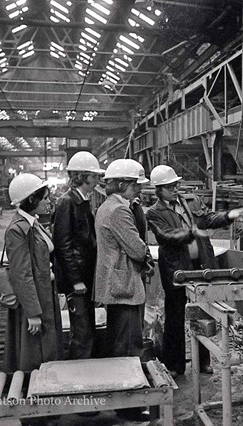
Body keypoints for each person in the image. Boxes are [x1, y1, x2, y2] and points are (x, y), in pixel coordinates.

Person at [146, 165, 243, 378]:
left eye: (176, 185)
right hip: (175, 268)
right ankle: (174, 365)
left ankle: (203, 361)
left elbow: (210, 218)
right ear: (158, 189)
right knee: (175, 315)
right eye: (169, 186)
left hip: (201, 265)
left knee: (202, 312)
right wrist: (191, 233)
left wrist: (229, 215)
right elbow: (167, 236)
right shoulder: (155, 213)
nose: (175, 189)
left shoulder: (191, 201)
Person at [93, 159, 151, 422]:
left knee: (122, 343)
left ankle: (125, 401)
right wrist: (145, 256)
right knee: (128, 347)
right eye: (134, 184)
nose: (138, 188)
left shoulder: (111, 206)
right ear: (120, 184)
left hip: (118, 284)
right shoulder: (118, 210)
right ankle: (128, 405)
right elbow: (137, 248)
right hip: (123, 285)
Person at [4, 173, 63, 372]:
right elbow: (21, 274)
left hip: (45, 293)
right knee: (36, 353)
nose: (49, 202)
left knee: (48, 348)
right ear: (31, 199)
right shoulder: (17, 230)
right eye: (45, 198)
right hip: (35, 301)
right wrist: (32, 313)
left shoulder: (33, 224)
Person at [52, 151, 104, 360]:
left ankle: (86, 372)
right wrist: (75, 281)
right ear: (82, 176)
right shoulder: (67, 202)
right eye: (94, 176)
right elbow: (62, 245)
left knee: (87, 328)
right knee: (82, 333)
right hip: (78, 281)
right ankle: (79, 376)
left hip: (86, 276)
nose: (97, 180)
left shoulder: (82, 201)